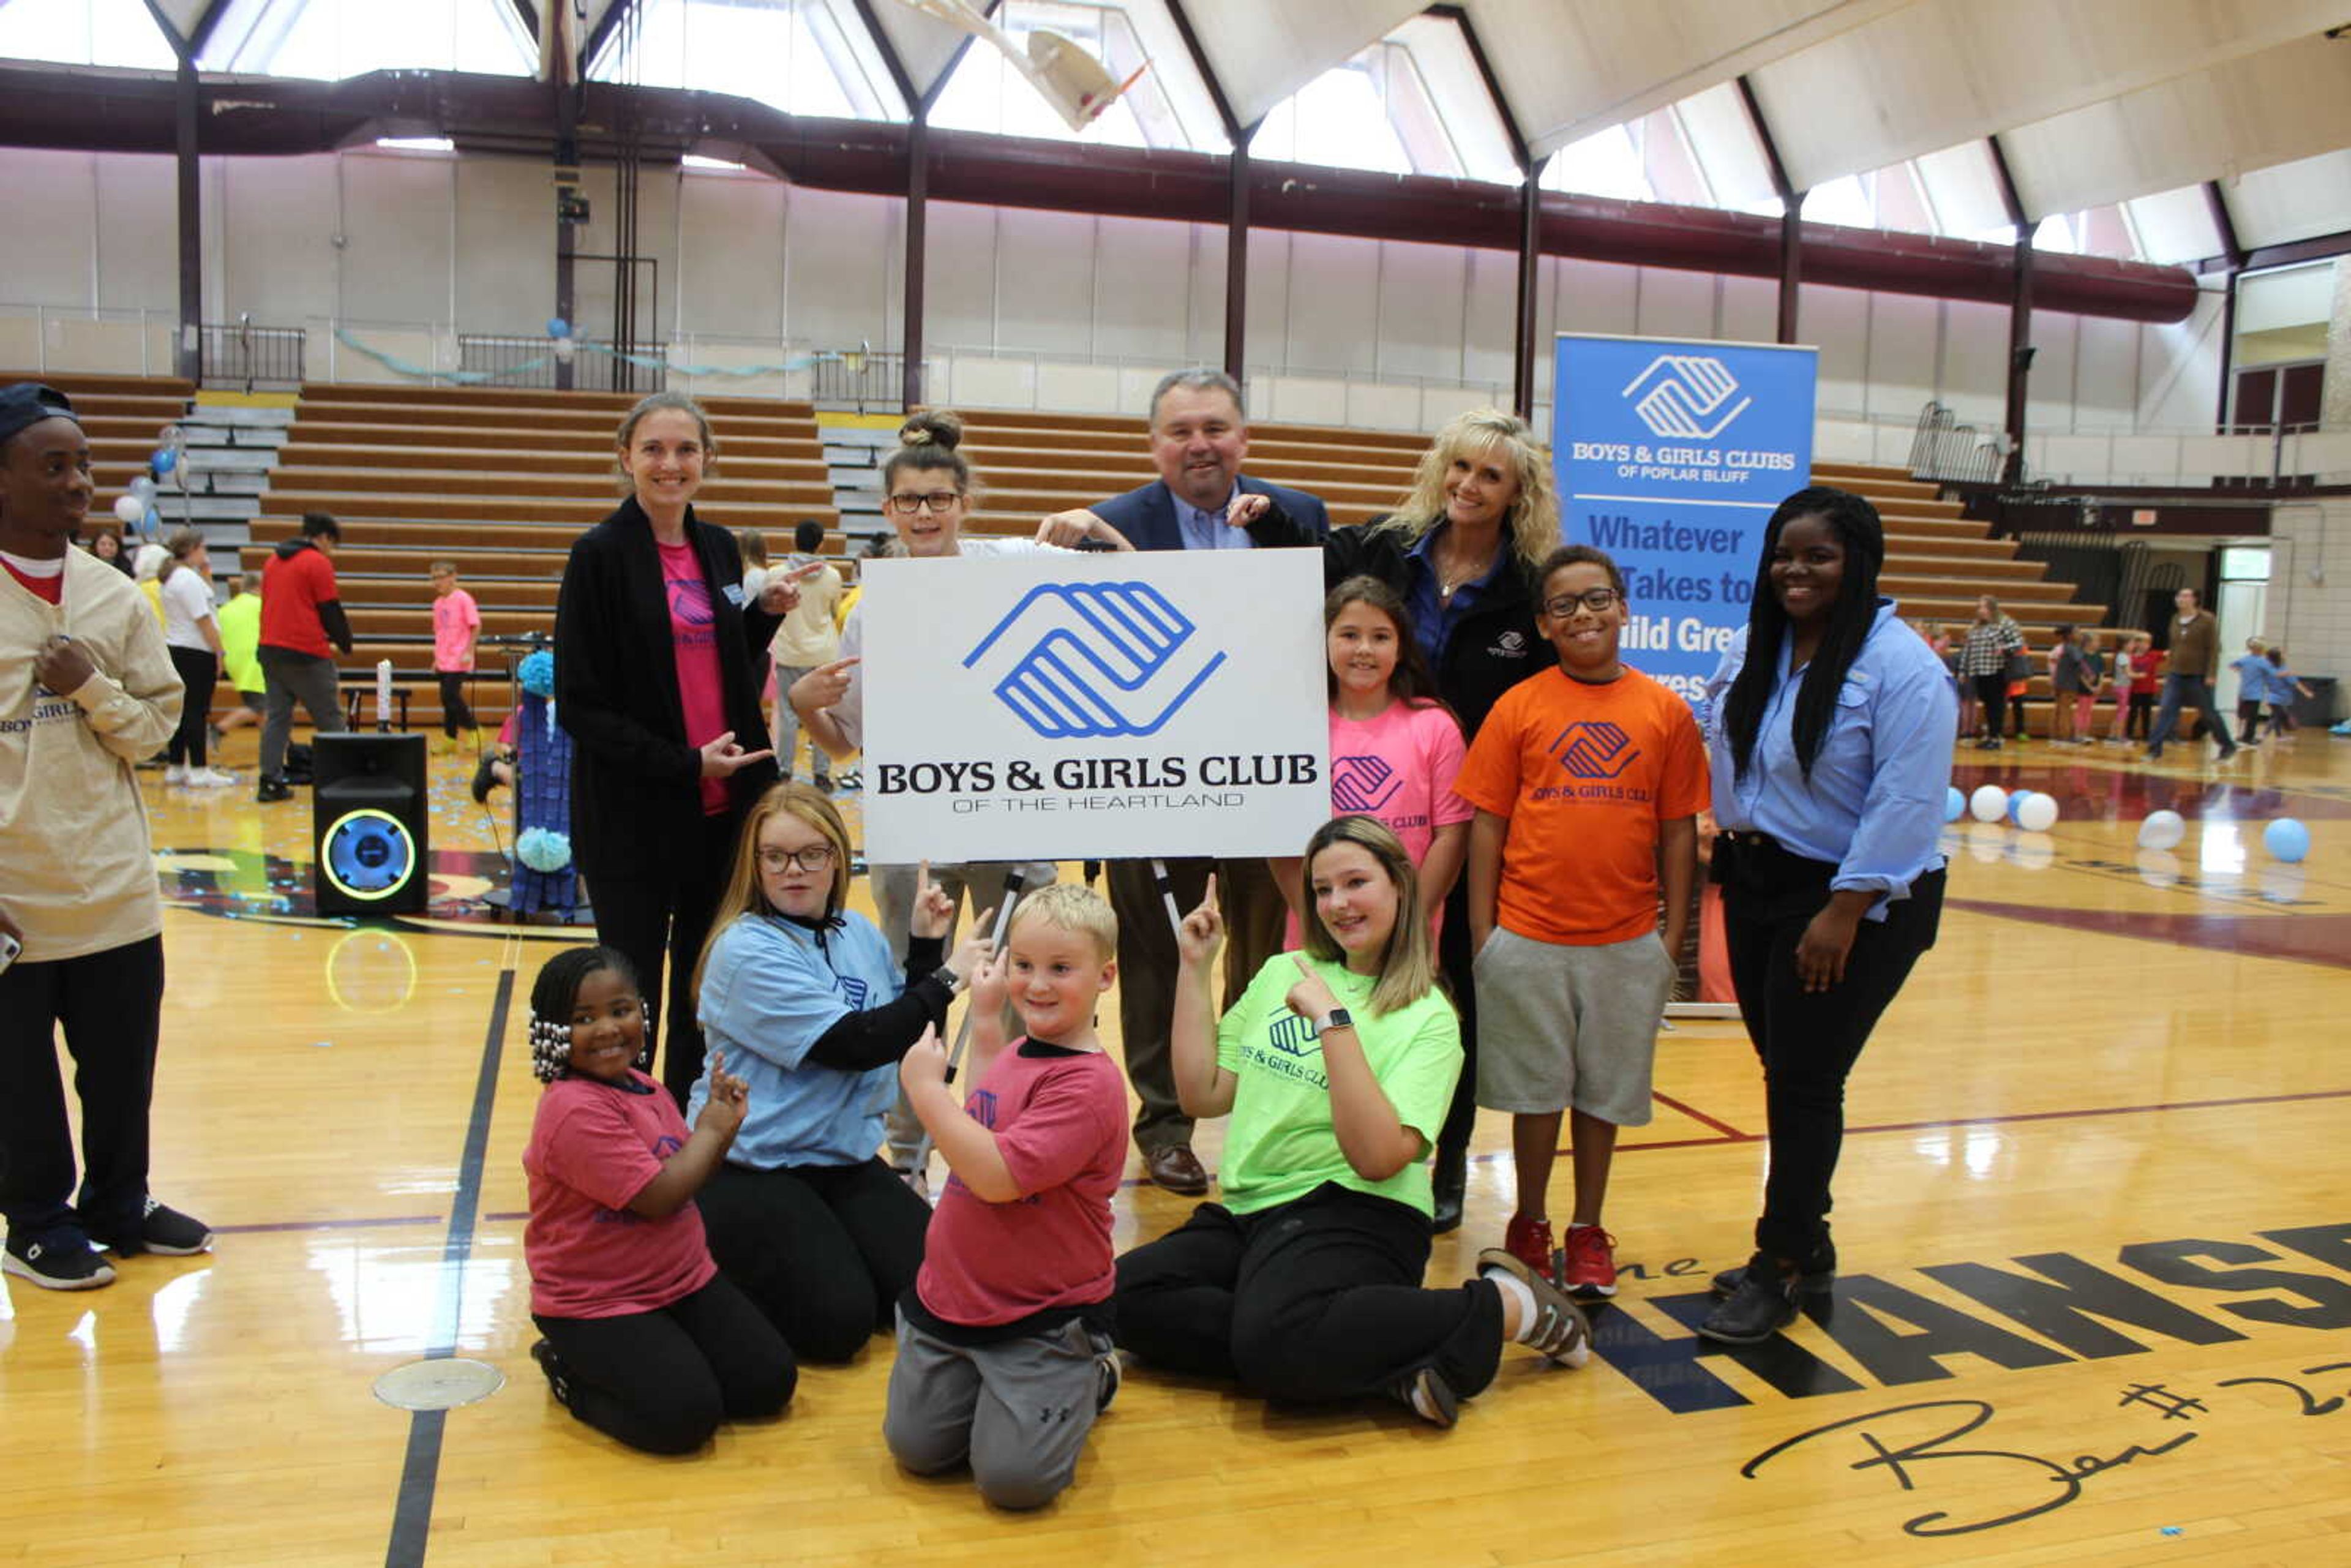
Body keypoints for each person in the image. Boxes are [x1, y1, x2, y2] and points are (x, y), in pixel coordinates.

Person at [1114, 817, 1593, 1428]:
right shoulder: (1283, 972)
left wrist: (1333, 1023)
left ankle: (1501, 1305)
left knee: (1274, 1344)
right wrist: (1193, 967)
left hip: (1356, 1211)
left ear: (1399, 883)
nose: (1337, 903)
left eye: (1355, 882)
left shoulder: (1430, 1017)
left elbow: (1377, 1158)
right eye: (1322, 889)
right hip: (1252, 1210)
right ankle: (1382, 1354)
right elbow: (1203, 1093)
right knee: (1118, 1297)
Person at [1231, 407, 1561, 1232]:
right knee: (1323, 1007)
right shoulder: (1386, 544)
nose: (1468, 486)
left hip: (1455, 827)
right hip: (1359, 841)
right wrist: (1267, 518)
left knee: (1446, 1011)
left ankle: (1443, 1160)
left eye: (1489, 474)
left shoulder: (1528, 585)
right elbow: (1311, 559)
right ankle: (1307, 1151)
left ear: (1518, 491)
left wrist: (1425, 896)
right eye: (1458, 467)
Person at [1033, 371, 1333, 1197]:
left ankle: (1257, 1107)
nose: (1199, 444)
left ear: (1245, 435)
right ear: (1153, 443)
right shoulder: (1109, 524)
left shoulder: (1298, 516)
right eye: (1180, 431)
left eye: (1216, 427)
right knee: (1157, 954)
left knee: (1260, 954)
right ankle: (1165, 1125)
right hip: (1150, 782)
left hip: (1265, 776)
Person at [788, 413, 1104, 1182]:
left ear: (964, 501)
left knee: (1018, 985)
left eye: (937, 498)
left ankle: (1011, 1139)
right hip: (914, 827)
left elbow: (1123, 574)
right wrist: (803, 704)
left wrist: (1097, 521)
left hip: (1007, 818)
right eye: (908, 501)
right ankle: (907, 1154)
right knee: (913, 984)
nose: (924, 513)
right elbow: (845, 742)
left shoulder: (1013, 566)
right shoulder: (871, 605)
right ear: (888, 511)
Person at [1697, 486, 1955, 1344]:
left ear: (1860, 564)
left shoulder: (1904, 666)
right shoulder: (1756, 649)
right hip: (1760, 882)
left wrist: (1844, 911)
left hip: (1853, 900)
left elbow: (1908, 802)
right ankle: (1810, 1235)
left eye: (1818, 556)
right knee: (1787, 1069)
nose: (1795, 572)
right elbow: (1718, 746)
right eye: (1784, 555)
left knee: (1806, 1081)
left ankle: (1782, 1264)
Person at [0, 381, 209, 1291]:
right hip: (12, 893)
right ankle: (37, 1221)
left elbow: (157, 730)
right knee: (21, 1083)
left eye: (83, 464)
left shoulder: (115, 596)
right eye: (55, 466)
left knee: (121, 1070)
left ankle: (120, 1204)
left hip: (114, 883)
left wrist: (89, 686)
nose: (80, 483)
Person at [1453, 544, 1704, 1297]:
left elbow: (1679, 831)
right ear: (1544, 623)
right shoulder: (1519, 706)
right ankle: (1529, 1218)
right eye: (1563, 605)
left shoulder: (1665, 711)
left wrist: (1670, 939)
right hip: (1526, 937)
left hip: (1627, 941)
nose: (1583, 615)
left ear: (1624, 607)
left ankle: (1588, 1228)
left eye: (1597, 599)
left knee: (1603, 1097)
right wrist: (1482, 935)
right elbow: (1488, 825)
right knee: (1536, 1095)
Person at [553, 391, 809, 1103]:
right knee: (629, 987)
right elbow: (581, 702)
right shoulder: (598, 556)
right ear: (626, 458)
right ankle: (628, 1124)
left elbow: (721, 660)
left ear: (708, 459)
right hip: (634, 813)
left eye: (686, 449)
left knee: (706, 983)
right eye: (655, 449)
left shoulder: (719, 546)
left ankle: (689, 1123)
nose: (671, 464)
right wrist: (684, 762)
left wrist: (762, 614)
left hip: (721, 811)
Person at [688, 783, 994, 1360]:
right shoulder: (746, 949)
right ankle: (708, 1260)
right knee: (838, 1325)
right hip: (754, 1166)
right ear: (754, 865)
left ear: (837, 858)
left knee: (934, 1289)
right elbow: (854, 1043)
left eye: (811, 853)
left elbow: (894, 1026)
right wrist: (948, 977)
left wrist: (926, 950)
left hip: (842, 1159)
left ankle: (824, 1244)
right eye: (775, 856)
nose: (793, 870)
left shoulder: (855, 931)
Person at [885, 885, 1128, 1511]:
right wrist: (989, 1018)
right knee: (916, 1449)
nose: (1037, 983)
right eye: (1023, 964)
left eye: (1059, 968)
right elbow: (989, 1107)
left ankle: (1091, 1372)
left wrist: (925, 1091)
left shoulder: (1088, 1087)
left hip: (1039, 1317)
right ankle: (985, 1382)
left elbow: (995, 1174)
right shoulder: (1025, 1049)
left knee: (1014, 1483)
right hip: (955, 1300)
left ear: (1105, 976)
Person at [520, 945, 796, 1455]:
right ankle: (567, 1372)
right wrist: (711, 1130)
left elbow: (692, 1173)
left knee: (768, 1384)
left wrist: (722, 1128)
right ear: (553, 1031)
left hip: (681, 1281)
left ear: (643, 1014)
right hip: (596, 1304)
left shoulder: (646, 1087)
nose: (606, 1029)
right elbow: (659, 1197)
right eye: (583, 1019)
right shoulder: (573, 1111)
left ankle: (663, 1348)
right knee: (683, 1418)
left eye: (620, 1010)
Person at [1270, 576, 1469, 942]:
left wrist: (1409, 920)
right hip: (1318, 935)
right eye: (1349, 635)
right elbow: (1279, 841)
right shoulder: (1297, 726)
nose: (1364, 649)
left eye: (1380, 637)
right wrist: (1317, 921)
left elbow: (1452, 835)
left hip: (1408, 937)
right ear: (1324, 642)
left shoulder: (1436, 726)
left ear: (1401, 648)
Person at [255, 511, 353, 802]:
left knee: (277, 719)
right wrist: (345, 642)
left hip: (270, 650)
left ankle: (269, 780)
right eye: (331, 544)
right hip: (305, 652)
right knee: (330, 719)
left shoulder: (273, 561)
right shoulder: (316, 562)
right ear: (323, 538)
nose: (330, 550)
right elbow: (329, 608)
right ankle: (344, 780)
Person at [770, 519, 842, 790]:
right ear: (821, 543)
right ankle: (822, 775)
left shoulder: (777, 574)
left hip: (790, 651)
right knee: (823, 712)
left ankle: (784, 771)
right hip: (823, 653)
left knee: (788, 714)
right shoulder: (833, 576)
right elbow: (834, 610)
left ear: (794, 541)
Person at [158, 528, 233, 787]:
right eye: (203, 548)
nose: (206, 553)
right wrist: (219, 651)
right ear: (192, 549)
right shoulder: (186, 580)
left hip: (180, 649)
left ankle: (177, 765)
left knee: (183, 710)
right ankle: (200, 769)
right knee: (196, 710)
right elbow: (203, 619)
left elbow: (207, 599)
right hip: (195, 650)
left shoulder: (180, 577)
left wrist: (206, 571)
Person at [2145, 587, 2235, 763]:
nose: (2181, 599)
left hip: (2198, 676)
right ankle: (2154, 749)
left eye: (2186, 596)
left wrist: (2211, 673)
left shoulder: (2207, 620)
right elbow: (2174, 645)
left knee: (2209, 714)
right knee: (2166, 711)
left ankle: (2228, 746)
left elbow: (2214, 648)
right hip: (2176, 676)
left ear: (2195, 600)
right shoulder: (2175, 619)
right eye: (2179, 596)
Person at [1957, 595, 2022, 750]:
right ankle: (1991, 735)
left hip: (1997, 670)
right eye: (1979, 607)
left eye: (1984, 607)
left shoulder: (2005, 623)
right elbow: (1968, 649)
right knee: (1987, 704)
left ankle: (1996, 737)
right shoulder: (1976, 626)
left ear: (1992, 608)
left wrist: (2004, 648)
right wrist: (1962, 670)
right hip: (1979, 671)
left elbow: (2019, 643)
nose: (1981, 611)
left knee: (1997, 704)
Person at [430, 559, 481, 751]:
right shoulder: (437, 604)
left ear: (453, 577)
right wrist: (436, 658)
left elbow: (475, 625)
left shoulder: (463, 599)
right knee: (447, 701)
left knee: (450, 695)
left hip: (460, 658)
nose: (437, 582)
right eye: (434, 578)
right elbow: (439, 633)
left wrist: (469, 651)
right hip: (444, 659)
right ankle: (450, 739)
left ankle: (474, 729)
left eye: (441, 577)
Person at [212, 569, 263, 740]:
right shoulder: (262, 605)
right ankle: (218, 730)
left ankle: (281, 748)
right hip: (257, 661)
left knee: (262, 708)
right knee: (260, 707)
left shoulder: (226, 609)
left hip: (234, 662)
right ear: (259, 587)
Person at [2049, 624, 2091, 746]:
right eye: (2078, 633)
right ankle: (2065, 737)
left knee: (2060, 709)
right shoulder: (2073, 648)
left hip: (2061, 682)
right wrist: (2089, 673)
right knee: (2065, 710)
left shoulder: (2067, 647)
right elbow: (2080, 661)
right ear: (2070, 636)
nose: (2080, 635)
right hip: (2068, 684)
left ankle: (2057, 736)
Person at [2263, 645, 2313, 738]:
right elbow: (2296, 684)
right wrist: (2306, 692)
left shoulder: (2269, 669)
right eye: (2282, 653)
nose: (2285, 654)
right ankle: (2265, 734)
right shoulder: (2284, 671)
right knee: (2276, 718)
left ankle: (2279, 736)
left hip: (2272, 699)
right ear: (2279, 657)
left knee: (2275, 716)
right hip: (2280, 699)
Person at [2229, 637, 2270, 748]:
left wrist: (2240, 670)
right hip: (2255, 695)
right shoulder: (2263, 662)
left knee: (2242, 715)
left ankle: (2241, 735)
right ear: (2261, 649)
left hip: (2244, 692)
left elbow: (2232, 665)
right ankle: (2248, 737)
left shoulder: (2245, 660)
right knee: (2252, 717)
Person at [2118, 632, 2159, 744]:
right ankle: (2129, 734)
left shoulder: (2153, 655)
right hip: (2135, 689)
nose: (2147, 645)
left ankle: (2146, 735)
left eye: (2149, 643)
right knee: (2133, 712)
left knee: (2147, 713)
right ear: (2137, 644)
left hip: (2149, 690)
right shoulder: (2130, 657)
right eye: (2144, 642)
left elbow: (2167, 654)